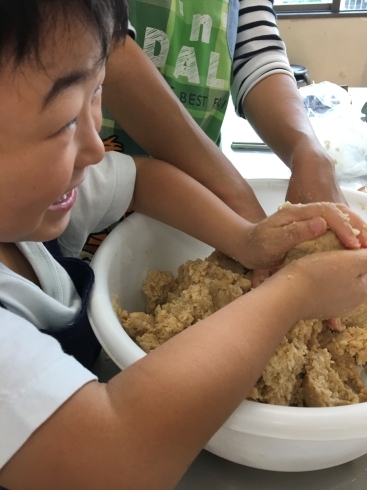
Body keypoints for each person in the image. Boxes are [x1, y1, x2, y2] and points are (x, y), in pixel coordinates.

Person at [1, 1, 367, 489]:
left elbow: (142, 179)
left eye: (99, 96)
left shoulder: (37, 202)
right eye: (67, 120)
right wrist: (293, 293)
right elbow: (113, 458)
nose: (96, 148)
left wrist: (246, 239)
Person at [100, 0, 347, 230]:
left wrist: (306, 151)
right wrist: (233, 192)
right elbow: (99, 42)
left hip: (205, 191)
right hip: (92, 191)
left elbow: (256, 50)